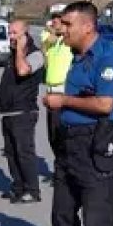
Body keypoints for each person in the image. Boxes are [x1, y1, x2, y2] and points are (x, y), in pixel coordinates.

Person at [42, 2, 113, 226]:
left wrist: (63, 100)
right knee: (62, 215)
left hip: (96, 144)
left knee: (96, 224)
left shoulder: (107, 57)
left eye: (67, 24)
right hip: (69, 147)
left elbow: (105, 104)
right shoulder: (76, 58)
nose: (62, 29)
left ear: (87, 27)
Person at [0, 20, 45, 203]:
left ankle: (32, 189)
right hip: (8, 113)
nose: (11, 37)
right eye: (10, 33)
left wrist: (21, 49)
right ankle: (18, 186)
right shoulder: (13, 55)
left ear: (26, 34)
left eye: (15, 33)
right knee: (11, 153)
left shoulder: (34, 54)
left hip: (24, 112)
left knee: (24, 153)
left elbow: (23, 71)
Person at [42, 13, 73, 186]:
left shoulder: (69, 42)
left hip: (64, 90)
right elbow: (46, 44)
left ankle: (65, 172)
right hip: (51, 89)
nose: (55, 23)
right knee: (53, 135)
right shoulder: (53, 41)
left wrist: (57, 31)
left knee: (63, 135)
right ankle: (61, 168)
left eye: (59, 21)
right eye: (53, 20)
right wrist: (52, 32)